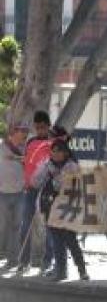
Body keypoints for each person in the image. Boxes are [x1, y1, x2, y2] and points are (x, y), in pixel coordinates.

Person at [33, 139, 88, 282]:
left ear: (65, 152)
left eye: (58, 151)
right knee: (56, 241)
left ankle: (82, 270)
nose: (55, 154)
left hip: (67, 208)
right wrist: (45, 171)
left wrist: (58, 177)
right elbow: (35, 181)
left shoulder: (72, 166)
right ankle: (61, 270)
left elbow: (77, 186)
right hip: (50, 208)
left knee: (70, 240)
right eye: (53, 151)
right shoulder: (47, 165)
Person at [17, 110, 53, 274]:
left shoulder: (54, 142)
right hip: (30, 189)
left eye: (43, 127)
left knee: (50, 226)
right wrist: (27, 181)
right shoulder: (30, 142)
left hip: (48, 190)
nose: (40, 130)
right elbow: (26, 164)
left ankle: (48, 261)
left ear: (48, 126)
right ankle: (24, 261)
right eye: (37, 127)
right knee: (25, 225)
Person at [0, 125, 28, 269]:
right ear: (12, 134)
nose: (23, 134)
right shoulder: (1, 147)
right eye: (21, 132)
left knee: (16, 227)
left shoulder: (25, 149)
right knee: (2, 226)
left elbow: (29, 163)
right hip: (2, 194)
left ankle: (13, 259)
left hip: (19, 194)